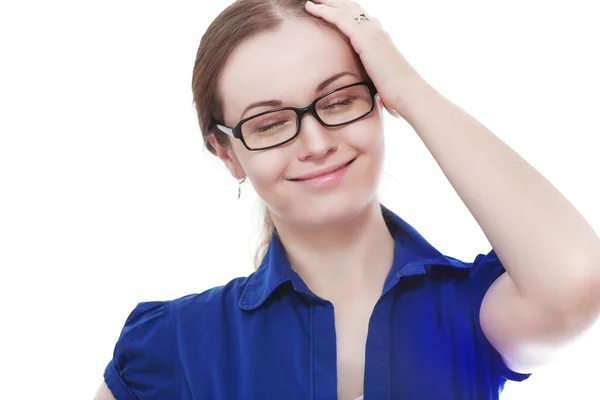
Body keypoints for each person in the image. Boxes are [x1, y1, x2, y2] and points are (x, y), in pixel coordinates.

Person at [94, 0, 600, 399]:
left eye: (339, 101)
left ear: (378, 100)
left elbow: (578, 280)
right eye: (269, 124)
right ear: (227, 153)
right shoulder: (173, 344)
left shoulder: (473, 310)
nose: (316, 144)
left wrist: (410, 88)